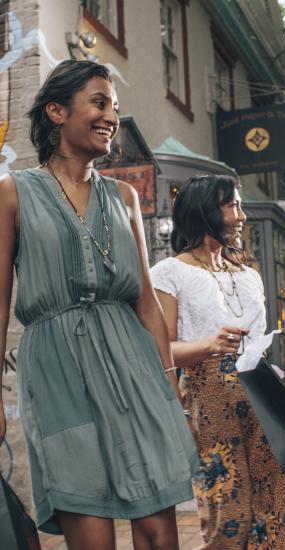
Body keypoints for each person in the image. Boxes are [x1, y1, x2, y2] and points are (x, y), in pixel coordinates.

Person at [0, 59, 199, 550]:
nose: (111, 115)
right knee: (89, 530)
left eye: (115, 106)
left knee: (157, 530)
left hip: (134, 368)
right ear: (56, 111)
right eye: (99, 102)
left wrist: (170, 388)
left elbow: (148, 306)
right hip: (56, 372)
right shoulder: (12, 195)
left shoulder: (124, 197)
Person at [150, 174, 285, 549]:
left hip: (262, 390)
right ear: (204, 211)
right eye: (231, 205)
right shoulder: (170, 272)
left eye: (240, 205)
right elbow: (160, 349)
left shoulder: (247, 275)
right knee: (229, 508)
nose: (241, 215)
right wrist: (209, 347)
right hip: (209, 398)